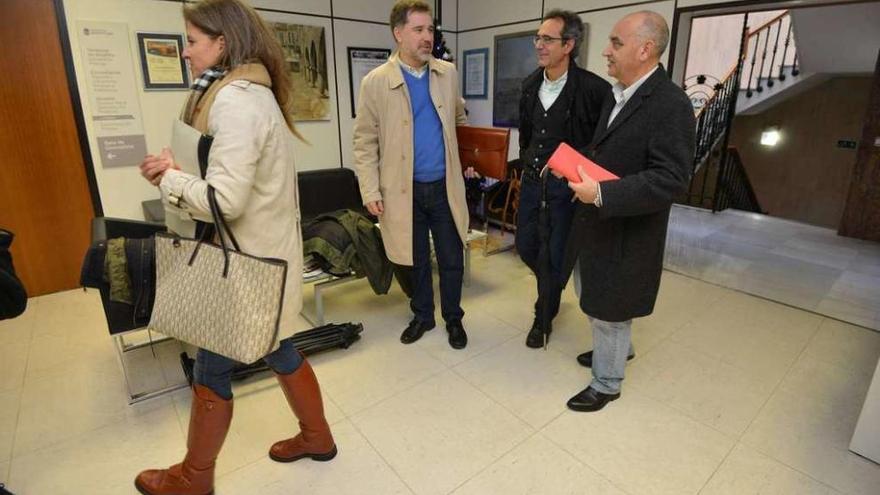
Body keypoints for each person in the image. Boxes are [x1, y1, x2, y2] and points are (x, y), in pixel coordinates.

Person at [135, 1, 336, 493]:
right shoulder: (245, 93)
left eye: (194, 41)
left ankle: (194, 477)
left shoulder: (234, 100)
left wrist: (170, 179)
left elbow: (223, 199)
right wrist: (179, 165)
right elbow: (225, 169)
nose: (186, 53)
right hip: (257, 259)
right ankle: (318, 437)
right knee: (278, 346)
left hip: (237, 264)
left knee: (211, 363)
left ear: (222, 43)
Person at [560, 11, 695, 412]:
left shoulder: (671, 104)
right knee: (595, 291)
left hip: (628, 229)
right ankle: (618, 350)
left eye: (615, 43)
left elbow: (670, 179)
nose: (605, 51)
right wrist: (572, 161)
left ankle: (607, 381)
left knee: (611, 306)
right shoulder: (621, 93)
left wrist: (601, 193)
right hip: (599, 221)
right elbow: (610, 150)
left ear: (645, 49)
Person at [353, 0, 470, 349]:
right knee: (413, 258)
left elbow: (459, 121)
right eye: (418, 30)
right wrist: (370, 190)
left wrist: (469, 157)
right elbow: (364, 141)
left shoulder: (447, 73)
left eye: (430, 29)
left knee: (451, 258)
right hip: (401, 190)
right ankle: (422, 315)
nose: (427, 37)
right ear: (398, 33)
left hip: (444, 186)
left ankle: (453, 318)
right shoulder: (376, 82)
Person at [515, 9, 609, 349]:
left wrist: (576, 174)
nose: (539, 45)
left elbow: (602, 145)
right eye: (537, 38)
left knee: (555, 255)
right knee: (526, 246)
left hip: (568, 190)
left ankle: (544, 316)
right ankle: (551, 288)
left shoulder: (595, 91)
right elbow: (526, 136)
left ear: (568, 44)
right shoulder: (529, 86)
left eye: (547, 39)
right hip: (531, 183)